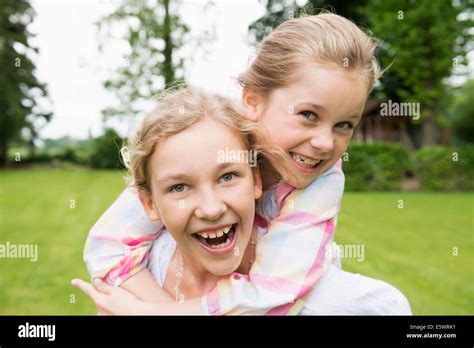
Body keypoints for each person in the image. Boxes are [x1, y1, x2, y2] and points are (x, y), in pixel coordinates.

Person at [72, 87, 411, 315]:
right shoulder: (146, 267)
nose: (211, 208)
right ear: (148, 203)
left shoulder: (321, 299)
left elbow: (391, 306)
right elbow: (105, 246)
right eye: (179, 187)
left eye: (228, 177)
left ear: (257, 181)